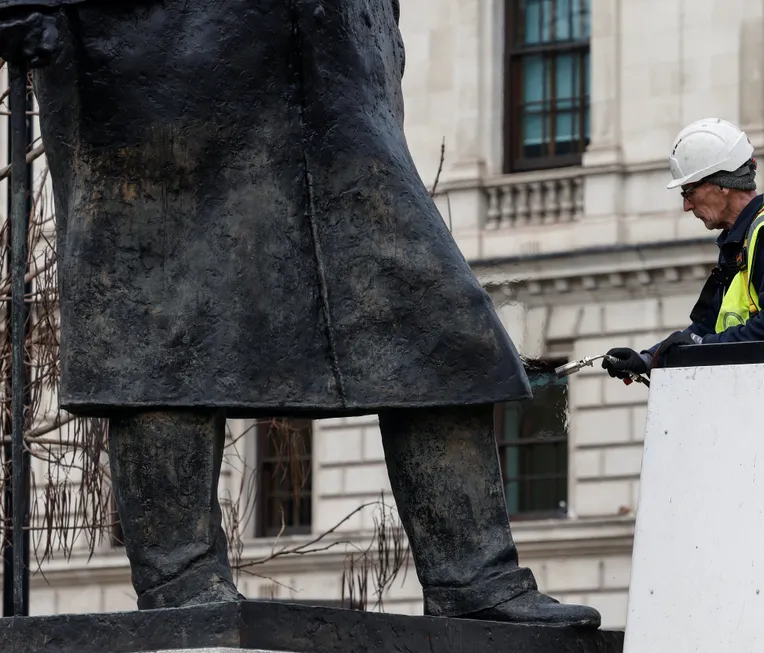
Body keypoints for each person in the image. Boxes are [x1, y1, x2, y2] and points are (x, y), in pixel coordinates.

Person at [0, 0, 600, 627]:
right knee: (161, 317)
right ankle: (180, 578)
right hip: (153, 66)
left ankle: (476, 574)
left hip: (333, 62)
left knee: (435, 321)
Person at [603, 118, 764, 379]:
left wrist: (703, 347)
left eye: (688, 192)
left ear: (722, 185)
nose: (686, 206)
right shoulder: (740, 240)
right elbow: (706, 326)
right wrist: (648, 358)